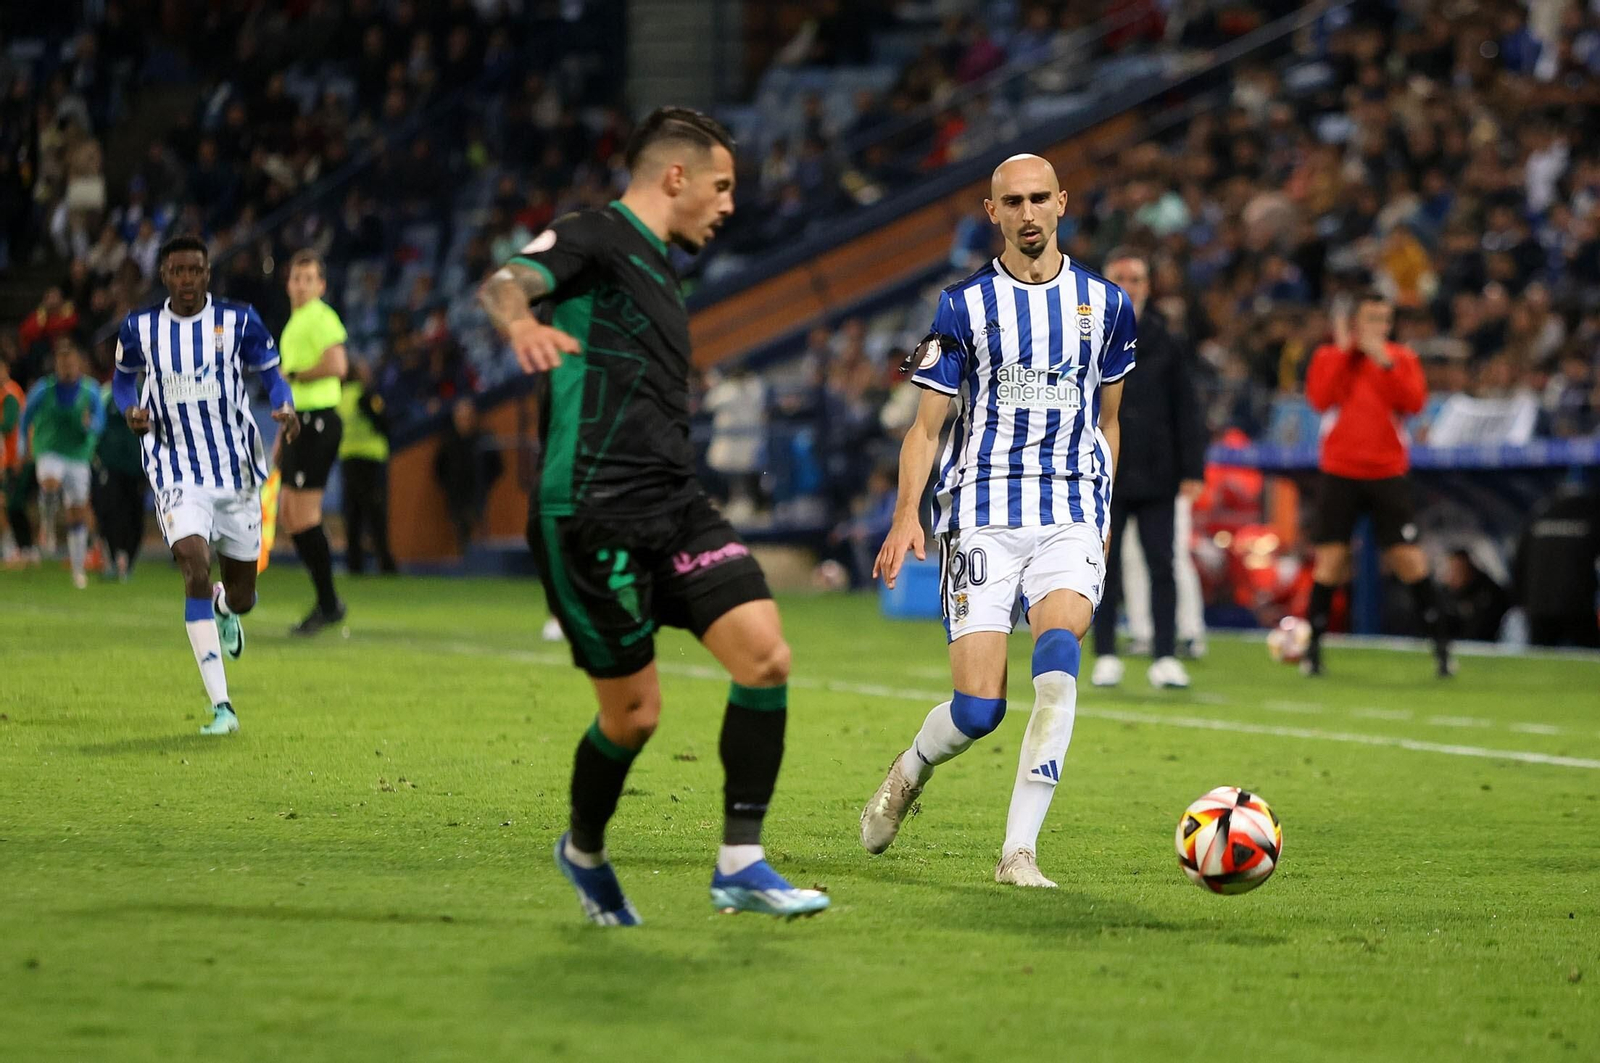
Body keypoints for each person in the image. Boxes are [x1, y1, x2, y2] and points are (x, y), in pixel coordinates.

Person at [476, 106, 828, 923]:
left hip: (674, 503)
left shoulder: (659, 265)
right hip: (589, 512)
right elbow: (505, 283)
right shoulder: (593, 235)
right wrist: (522, 321)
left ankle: (741, 862)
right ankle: (584, 849)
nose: (729, 203)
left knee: (767, 657)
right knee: (634, 716)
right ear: (676, 177)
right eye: (722, 184)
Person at [862, 153, 1134, 888]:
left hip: (1070, 509)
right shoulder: (963, 307)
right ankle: (912, 765)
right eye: (1012, 201)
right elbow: (925, 428)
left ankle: (1019, 851)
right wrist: (904, 515)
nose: (1027, 212)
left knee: (1057, 662)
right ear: (992, 213)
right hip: (981, 513)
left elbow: (1109, 420)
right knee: (979, 708)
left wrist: (1101, 507)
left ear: (1063, 203)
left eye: (1039, 198)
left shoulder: (1106, 305)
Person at [112, 235, 298, 734]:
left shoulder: (239, 321)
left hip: (234, 469)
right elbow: (123, 379)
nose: (187, 279)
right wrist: (128, 409)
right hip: (174, 466)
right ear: (165, 275)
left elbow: (273, 375)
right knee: (193, 562)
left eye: (195, 270)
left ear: (207, 274)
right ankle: (222, 706)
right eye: (177, 271)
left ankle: (224, 606)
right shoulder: (141, 327)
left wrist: (285, 404)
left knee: (243, 595)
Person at [1302, 290, 1452, 677]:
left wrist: (1383, 360)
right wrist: (1344, 351)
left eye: (1384, 320)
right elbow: (1320, 399)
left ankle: (1441, 648)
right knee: (1331, 560)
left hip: (1387, 472)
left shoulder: (1401, 359)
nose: (1378, 327)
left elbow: (1414, 402)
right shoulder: (1330, 357)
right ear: (1355, 323)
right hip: (1340, 470)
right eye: (1370, 319)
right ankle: (1313, 651)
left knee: (1408, 558)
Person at [1089, 247, 1206, 689]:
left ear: (1147, 287)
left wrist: (1192, 469)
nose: (1127, 286)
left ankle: (1164, 653)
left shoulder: (1167, 340)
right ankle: (1104, 653)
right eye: (1119, 277)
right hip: (1105, 472)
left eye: (1135, 279)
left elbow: (1187, 410)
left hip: (1158, 473)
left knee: (1163, 563)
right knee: (1102, 564)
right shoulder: (1087, 337)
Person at [277, 249, 349, 634]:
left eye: (309, 278)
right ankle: (326, 599)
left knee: (303, 515)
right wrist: (280, 440)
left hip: (318, 421)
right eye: (296, 277)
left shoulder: (321, 317)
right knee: (290, 516)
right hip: (298, 423)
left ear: (321, 285)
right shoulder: (295, 323)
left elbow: (338, 366)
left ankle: (329, 602)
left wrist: (297, 373)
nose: (301, 284)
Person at [21, 339, 105, 588]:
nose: (67, 368)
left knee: (77, 512)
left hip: (78, 455)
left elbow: (99, 420)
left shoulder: (90, 391)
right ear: (56, 365)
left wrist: (91, 426)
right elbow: (27, 415)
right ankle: (46, 524)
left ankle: (78, 569)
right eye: (62, 363)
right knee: (49, 482)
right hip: (49, 449)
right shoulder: (43, 389)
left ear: (78, 364)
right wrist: (24, 446)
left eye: (70, 363)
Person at [1512, 482, 1600, 648]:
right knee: (1589, 661)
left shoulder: (1539, 514)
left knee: (1541, 661)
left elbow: (1519, 562)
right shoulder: (1592, 514)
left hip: (1539, 605)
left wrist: (1521, 601)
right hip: (1577, 606)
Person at [337, 358, 397, 574]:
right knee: (375, 513)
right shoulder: (366, 396)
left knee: (352, 514)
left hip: (348, 459)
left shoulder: (340, 397)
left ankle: (354, 565)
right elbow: (383, 422)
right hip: (369, 459)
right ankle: (385, 563)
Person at [92, 375, 147, 579]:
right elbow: (97, 423)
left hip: (137, 465)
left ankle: (128, 561)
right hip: (111, 463)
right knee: (110, 511)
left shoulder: (147, 393)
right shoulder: (108, 393)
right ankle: (114, 559)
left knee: (135, 514)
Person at [433, 397, 503, 552]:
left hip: (478, 496)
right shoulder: (449, 441)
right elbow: (439, 469)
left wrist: (486, 485)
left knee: (480, 535)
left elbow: (497, 467)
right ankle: (464, 565)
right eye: (460, 418)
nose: (463, 421)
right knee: (461, 535)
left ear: (474, 417)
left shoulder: (484, 439)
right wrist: (448, 487)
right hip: (456, 497)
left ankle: (484, 568)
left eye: (466, 417)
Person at [0, 355, 34, 564]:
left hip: (15, 459)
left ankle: (20, 548)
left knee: (11, 505)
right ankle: (20, 549)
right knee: (11, 505)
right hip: (9, 459)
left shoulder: (10, 393)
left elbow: (8, 424)